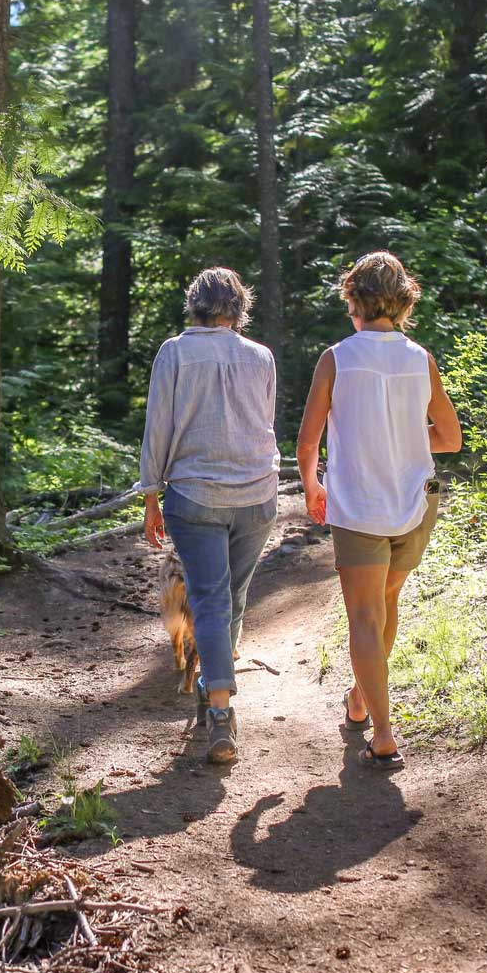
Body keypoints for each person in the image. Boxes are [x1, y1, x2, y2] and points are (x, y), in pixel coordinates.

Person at [296, 251, 461, 771]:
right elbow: (450, 438)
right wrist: (404, 438)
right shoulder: (420, 358)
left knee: (366, 617)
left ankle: (384, 734)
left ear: (354, 302)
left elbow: (309, 440)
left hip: (359, 506)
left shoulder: (337, 358)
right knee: (386, 606)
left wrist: (311, 484)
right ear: (402, 304)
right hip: (415, 504)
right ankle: (362, 700)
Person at [138, 267, 280, 764]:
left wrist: (151, 494)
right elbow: (264, 421)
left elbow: (158, 426)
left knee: (214, 601)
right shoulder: (260, 355)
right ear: (239, 309)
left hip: (196, 497)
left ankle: (219, 711)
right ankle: (210, 687)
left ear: (193, 305)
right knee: (230, 599)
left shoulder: (175, 352)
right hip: (258, 495)